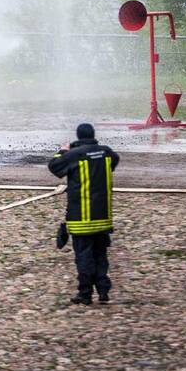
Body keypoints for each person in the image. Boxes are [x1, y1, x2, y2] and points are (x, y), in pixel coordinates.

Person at [49, 123, 120, 305]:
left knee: (84, 257)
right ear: (93, 134)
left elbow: (54, 166)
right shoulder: (106, 153)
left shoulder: (75, 155)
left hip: (81, 219)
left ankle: (85, 293)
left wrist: (63, 151)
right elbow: (114, 160)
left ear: (78, 137)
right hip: (103, 218)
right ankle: (103, 291)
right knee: (100, 255)